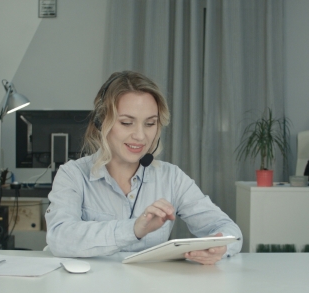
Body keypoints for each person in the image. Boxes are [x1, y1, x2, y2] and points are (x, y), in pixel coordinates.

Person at [45, 70, 243, 264]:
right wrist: (134, 229)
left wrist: (220, 247)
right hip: (89, 292)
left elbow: (228, 230)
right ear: (101, 122)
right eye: (127, 122)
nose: (140, 136)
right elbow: (59, 238)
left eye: (150, 124)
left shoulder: (171, 177)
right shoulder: (72, 175)